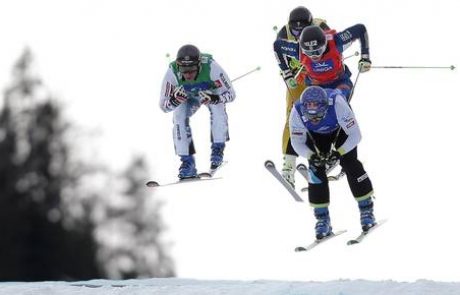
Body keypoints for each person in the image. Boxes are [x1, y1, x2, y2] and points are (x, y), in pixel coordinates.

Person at [289, 86, 376, 239]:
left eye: (318, 116)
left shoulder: (337, 103)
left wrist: (339, 152)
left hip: (340, 130)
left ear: (326, 107)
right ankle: (322, 219)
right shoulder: (296, 111)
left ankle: (366, 208)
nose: (315, 119)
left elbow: (356, 135)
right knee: (315, 169)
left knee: (350, 163)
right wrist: (311, 155)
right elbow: (297, 142)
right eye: (311, 117)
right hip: (315, 135)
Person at [273, 6, 330, 189]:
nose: (298, 34)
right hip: (298, 78)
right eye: (295, 30)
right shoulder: (284, 33)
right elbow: (278, 54)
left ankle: (325, 155)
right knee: (293, 116)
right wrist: (287, 74)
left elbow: (333, 50)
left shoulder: (321, 27)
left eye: (302, 30)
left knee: (321, 114)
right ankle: (288, 166)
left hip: (318, 76)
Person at [159, 44, 236, 179]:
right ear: (178, 66)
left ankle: (217, 150)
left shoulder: (212, 67)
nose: (188, 74)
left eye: (192, 69)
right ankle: (187, 163)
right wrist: (174, 100)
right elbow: (163, 106)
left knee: (218, 106)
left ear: (199, 65)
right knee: (178, 115)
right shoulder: (172, 72)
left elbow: (231, 94)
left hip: (208, 93)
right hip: (188, 98)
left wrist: (216, 97)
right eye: (184, 69)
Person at [298, 24, 372, 100]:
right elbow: (284, 47)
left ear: (325, 44)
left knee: (338, 99)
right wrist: (287, 74)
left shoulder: (337, 41)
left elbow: (360, 29)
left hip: (339, 81)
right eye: (308, 53)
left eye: (318, 51)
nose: (314, 56)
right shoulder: (298, 49)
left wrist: (365, 57)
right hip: (316, 84)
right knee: (312, 106)